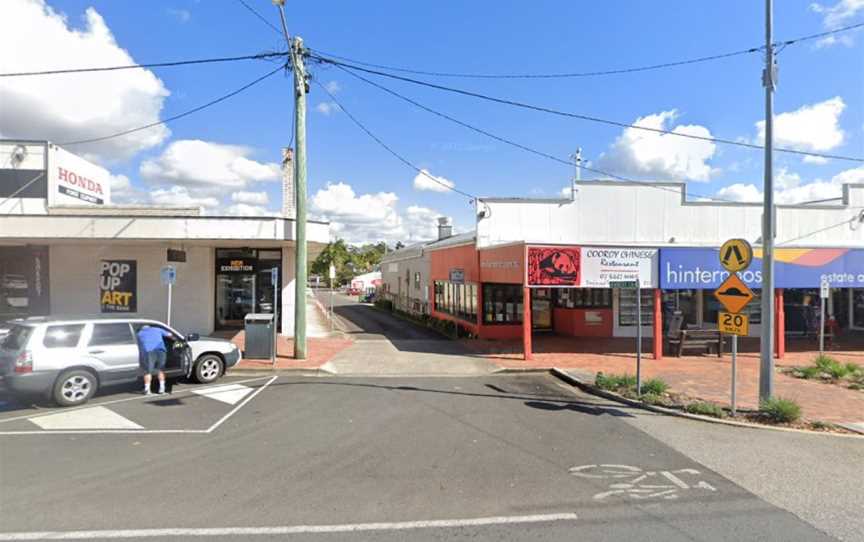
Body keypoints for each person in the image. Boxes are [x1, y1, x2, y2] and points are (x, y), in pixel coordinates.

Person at [137, 324, 173, 395]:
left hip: (149, 352)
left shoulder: (139, 333)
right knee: (161, 370)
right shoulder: (157, 329)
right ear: (150, 327)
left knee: (148, 371)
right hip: (161, 351)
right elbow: (169, 335)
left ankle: (147, 390)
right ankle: (162, 389)